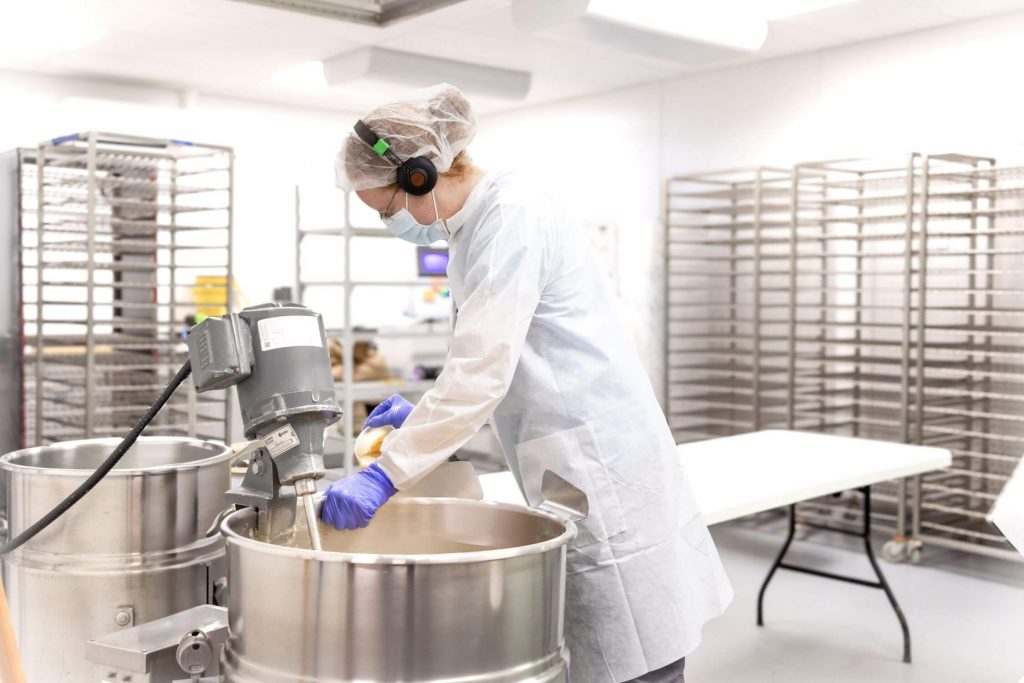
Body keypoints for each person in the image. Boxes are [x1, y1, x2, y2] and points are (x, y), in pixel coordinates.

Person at [322, 83, 732, 683]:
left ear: (418, 177)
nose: (393, 224)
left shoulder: (511, 215)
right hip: (569, 455)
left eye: (387, 210)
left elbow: (482, 368)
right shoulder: (475, 228)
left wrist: (388, 471)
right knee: (609, 646)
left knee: (638, 646)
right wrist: (427, 416)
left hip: (599, 459)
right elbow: (501, 360)